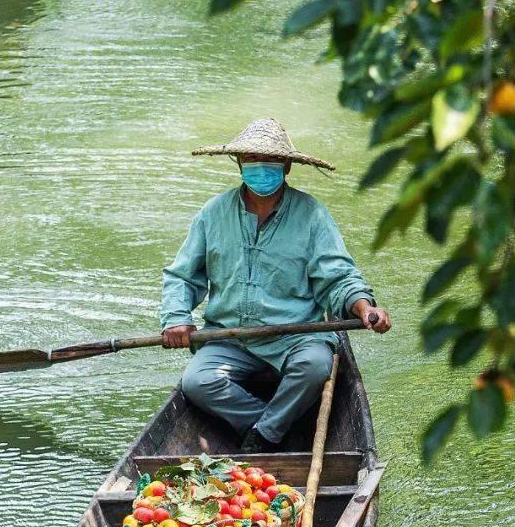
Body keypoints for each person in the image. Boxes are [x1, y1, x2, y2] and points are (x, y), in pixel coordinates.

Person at [161, 118, 392, 451]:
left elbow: (337, 275)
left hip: (296, 335)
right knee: (197, 382)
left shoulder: (311, 215)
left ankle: (265, 434)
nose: (260, 170)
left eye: (269, 163)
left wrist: (364, 307)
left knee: (315, 367)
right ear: (239, 164)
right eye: (251, 161)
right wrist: (176, 318)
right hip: (230, 337)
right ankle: (267, 425)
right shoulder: (213, 215)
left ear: (286, 167)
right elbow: (182, 276)